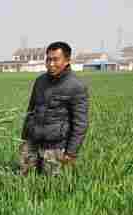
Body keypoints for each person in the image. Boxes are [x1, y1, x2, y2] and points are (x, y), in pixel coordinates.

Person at [20, 41, 89, 176]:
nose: (51, 64)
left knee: (50, 187)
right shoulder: (40, 81)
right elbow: (31, 110)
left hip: (55, 146)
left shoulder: (76, 86)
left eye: (55, 59)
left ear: (67, 60)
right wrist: (24, 138)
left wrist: (71, 152)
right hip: (32, 141)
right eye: (48, 59)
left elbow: (80, 123)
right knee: (25, 179)